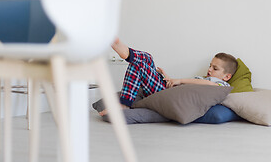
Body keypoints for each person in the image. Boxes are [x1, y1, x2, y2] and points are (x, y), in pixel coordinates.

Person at [99, 38, 238, 116]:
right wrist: (169, 79)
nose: (209, 69)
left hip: (164, 93)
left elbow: (208, 85)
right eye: (210, 65)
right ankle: (126, 52)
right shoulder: (205, 80)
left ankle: (124, 105)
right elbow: (184, 89)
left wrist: (179, 80)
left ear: (226, 77)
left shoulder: (221, 87)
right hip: (168, 90)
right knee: (147, 58)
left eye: (215, 68)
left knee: (139, 65)